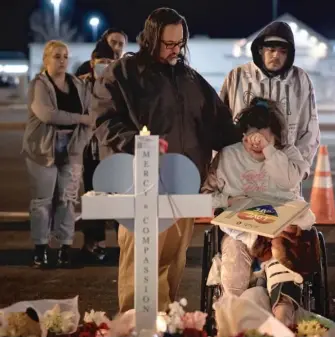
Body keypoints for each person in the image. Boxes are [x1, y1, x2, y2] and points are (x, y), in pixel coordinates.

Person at [90, 7, 241, 312]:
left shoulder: (190, 78)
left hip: (184, 186)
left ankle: (163, 324)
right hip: (141, 184)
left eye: (180, 44)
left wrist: (251, 138)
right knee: (140, 266)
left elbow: (219, 125)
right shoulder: (124, 73)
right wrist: (138, 143)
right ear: (150, 39)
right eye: (168, 44)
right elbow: (104, 121)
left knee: (172, 263)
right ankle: (134, 326)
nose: (175, 51)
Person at [201, 97, 315, 327]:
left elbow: (288, 180)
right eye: (250, 135)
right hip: (240, 232)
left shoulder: (287, 153)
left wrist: (270, 152)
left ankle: (283, 321)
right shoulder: (227, 156)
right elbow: (205, 195)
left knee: (283, 267)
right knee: (233, 278)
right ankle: (235, 323)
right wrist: (227, 199)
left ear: (276, 136)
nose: (254, 142)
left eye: (263, 135)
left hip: (280, 232)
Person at [22, 40, 93, 268]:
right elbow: (47, 115)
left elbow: (91, 116)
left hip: (71, 147)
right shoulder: (39, 85)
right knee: (42, 201)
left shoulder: (77, 85)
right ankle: (40, 249)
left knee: (67, 200)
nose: (62, 61)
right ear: (46, 60)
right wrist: (79, 119)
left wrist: (80, 143)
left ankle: (64, 248)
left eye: (65, 56)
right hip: (43, 149)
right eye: (56, 57)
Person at [220, 21, 320, 178]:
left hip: (283, 169)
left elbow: (309, 129)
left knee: (286, 204)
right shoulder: (237, 76)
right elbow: (220, 124)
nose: (276, 55)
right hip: (241, 170)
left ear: (289, 54)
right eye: (271, 50)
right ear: (260, 50)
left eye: (282, 51)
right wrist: (221, 165)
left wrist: (298, 169)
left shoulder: (300, 80)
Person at [78, 40, 117, 264]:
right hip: (88, 150)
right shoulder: (81, 84)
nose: (104, 65)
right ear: (92, 62)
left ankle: (124, 242)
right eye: (101, 61)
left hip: (109, 150)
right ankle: (95, 243)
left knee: (118, 198)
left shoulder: (118, 84)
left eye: (108, 62)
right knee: (92, 198)